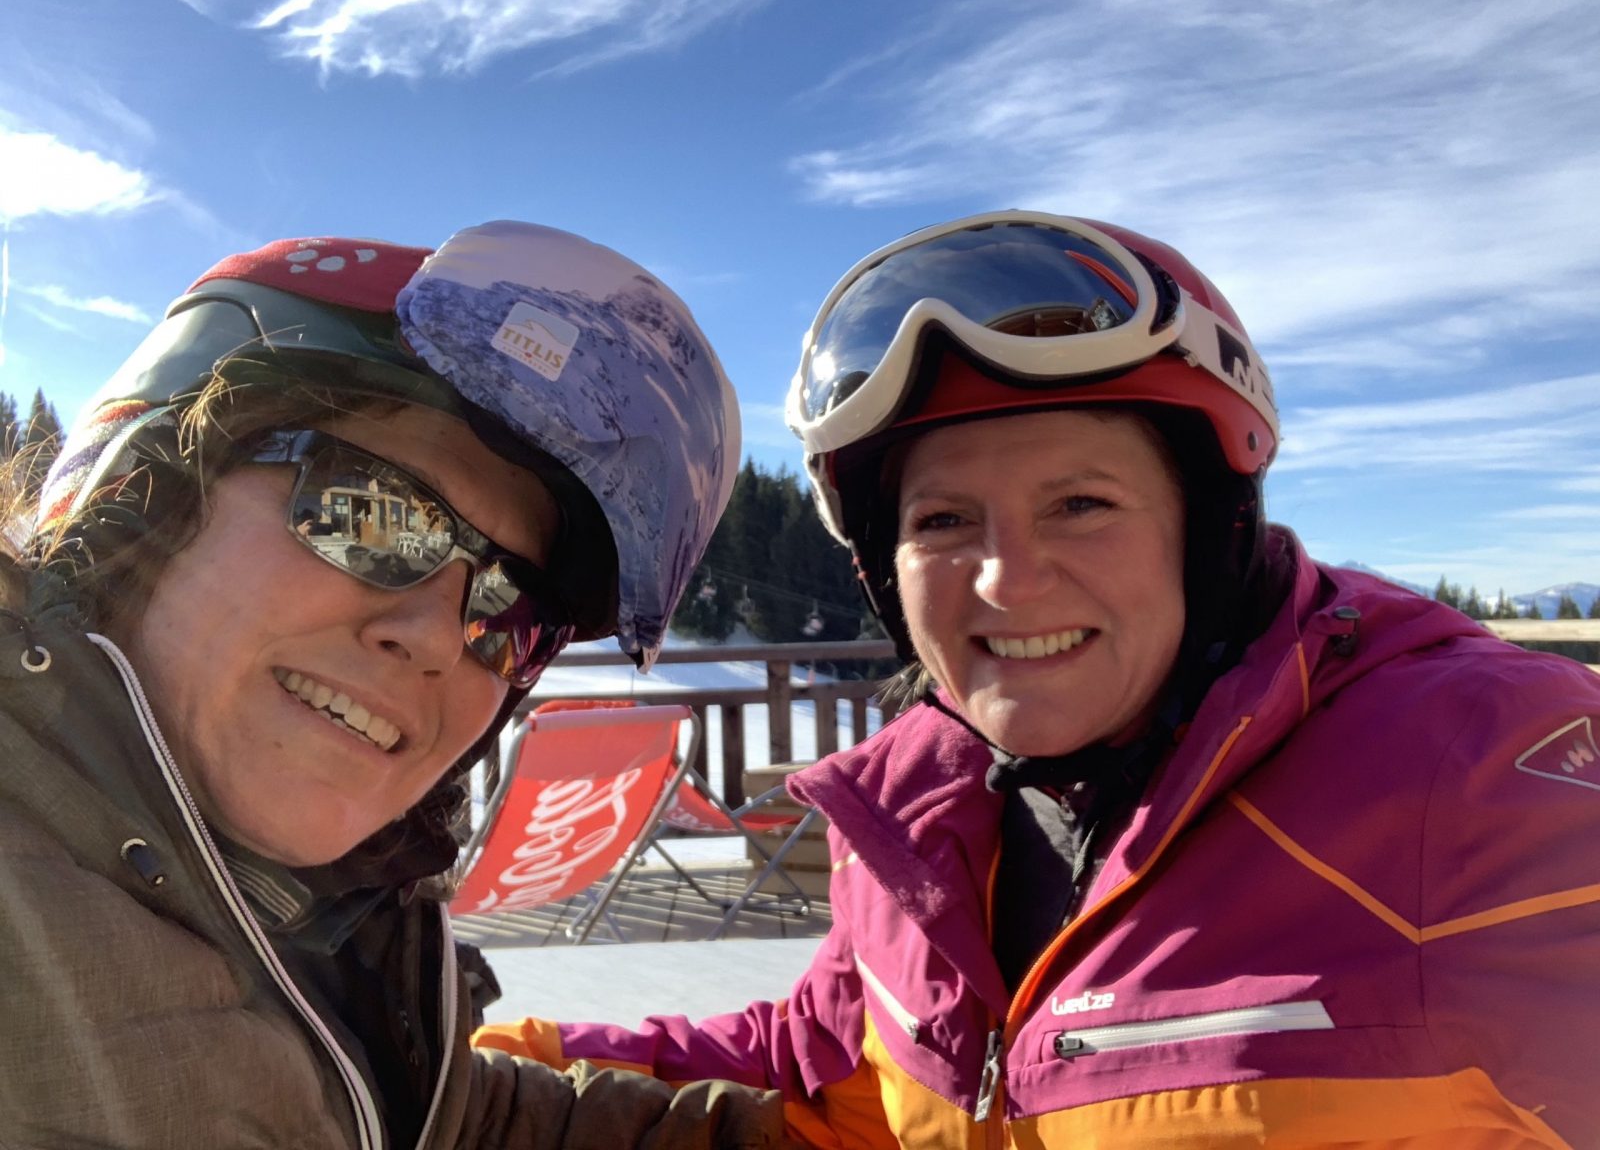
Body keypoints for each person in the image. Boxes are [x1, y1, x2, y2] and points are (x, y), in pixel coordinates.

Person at [474, 211, 1600, 1147]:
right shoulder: (920, 815)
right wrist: (468, 1073)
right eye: (943, 520)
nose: (1006, 581)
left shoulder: (1482, 763)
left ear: (1204, 530)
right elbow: (829, 1074)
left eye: (1081, 504)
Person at [0, 221, 792, 1148]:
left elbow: (448, 1124)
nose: (434, 640)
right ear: (144, 492)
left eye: (507, 610)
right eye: (369, 514)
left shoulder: (335, 935)